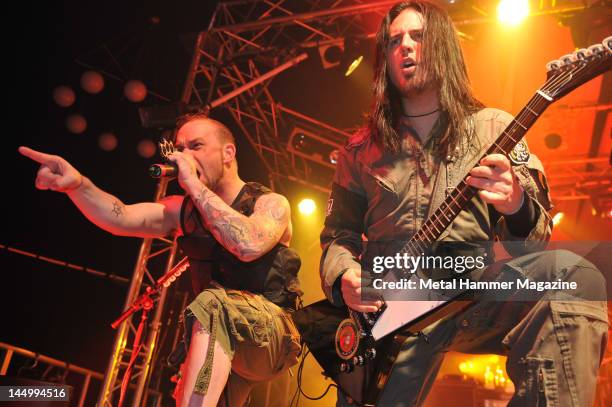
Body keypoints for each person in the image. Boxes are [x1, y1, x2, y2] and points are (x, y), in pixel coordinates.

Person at [319, 1, 608, 406]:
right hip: (387, 314)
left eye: (418, 37)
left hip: (470, 293)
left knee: (573, 276)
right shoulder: (358, 151)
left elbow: (536, 234)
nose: (404, 46)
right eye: (394, 40)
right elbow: (338, 236)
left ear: (443, 48)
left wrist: (515, 203)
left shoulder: (493, 126)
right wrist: (345, 277)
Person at [19, 114, 302, 407]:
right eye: (179, 148)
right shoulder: (183, 211)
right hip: (220, 335)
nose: (183, 155)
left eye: (196, 146)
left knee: (214, 303)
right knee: (190, 390)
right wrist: (78, 185)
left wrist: (193, 184)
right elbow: (122, 216)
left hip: (268, 335)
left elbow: (248, 244)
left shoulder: (270, 203)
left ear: (228, 153)